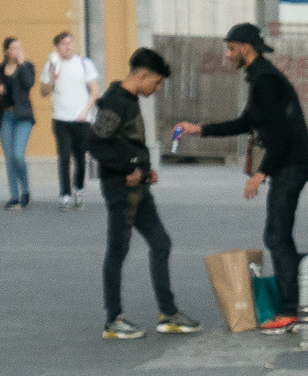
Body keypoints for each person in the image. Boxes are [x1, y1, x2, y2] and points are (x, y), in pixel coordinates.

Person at [175, 23, 308, 333]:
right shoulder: (259, 76)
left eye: (231, 48)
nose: (227, 55)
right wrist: (201, 129)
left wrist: (261, 173)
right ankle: (301, 299)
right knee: (278, 236)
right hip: (290, 163)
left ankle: (292, 309)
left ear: (246, 48)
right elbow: (247, 122)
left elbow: (280, 133)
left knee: (277, 236)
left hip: (291, 164)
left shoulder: (265, 80)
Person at [92, 48, 201, 339]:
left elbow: (129, 142)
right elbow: (96, 143)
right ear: (142, 75)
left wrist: (144, 167)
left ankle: (168, 314)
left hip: (139, 188)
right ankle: (113, 320)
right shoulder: (115, 103)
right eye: (157, 82)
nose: (158, 88)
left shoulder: (129, 100)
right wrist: (127, 168)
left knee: (161, 243)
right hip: (120, 189)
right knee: (118, 249)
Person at [38, 31, 100, 210]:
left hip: (81, 119)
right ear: (57, 47)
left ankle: (79, 188)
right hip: (61, 118)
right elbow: (43, 92)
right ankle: (65, 194)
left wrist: (86, 111)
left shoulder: (84, 64)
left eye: (70, 43)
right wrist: (51, 78)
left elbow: (94, 91)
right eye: (63, 44)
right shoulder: (51, 65)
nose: (67, 47)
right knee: (64, 157)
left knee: (80, 158)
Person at [0, 37, 36, 209]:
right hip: (5, 117)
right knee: (9, 158)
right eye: (13, 48)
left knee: (18, 155)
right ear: (6, 51)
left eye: (19, 47)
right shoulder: (0, 69)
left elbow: (29, 84)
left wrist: (21, 65)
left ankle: (25, 191)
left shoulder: (27, 67)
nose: (17, 51)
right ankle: (14, 196)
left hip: (23, 117)